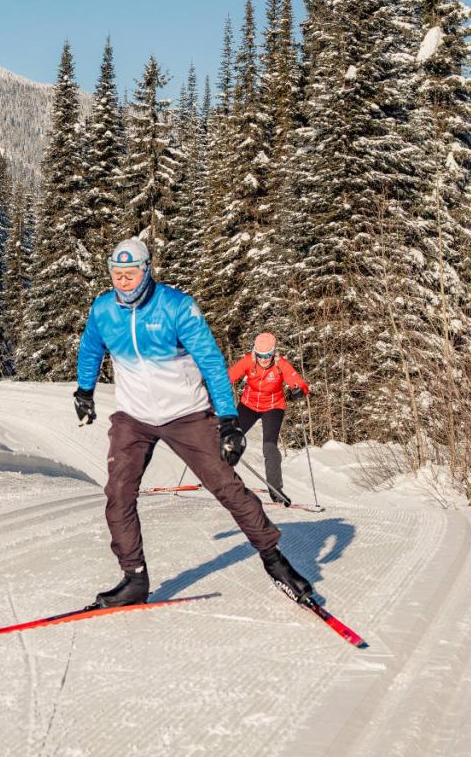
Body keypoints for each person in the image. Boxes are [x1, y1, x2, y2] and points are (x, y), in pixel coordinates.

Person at [73, 237, 314, 608]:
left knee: (226, 486)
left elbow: (213, 363)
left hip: (186, 414)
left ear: (146, 271)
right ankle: (134, 578)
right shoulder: (104, 309)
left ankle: (274, 560)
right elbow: (90, 348)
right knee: (118, 493)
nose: (123, 281)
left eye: (131, 274)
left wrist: (230, 419)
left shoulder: (177, 307)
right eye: (117, 274)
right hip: (134, 417)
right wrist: (85, 391)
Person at [226, 332, 311, 497]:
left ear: (274, 352)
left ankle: (275, 489)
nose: (264, 359)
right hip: (248, 405)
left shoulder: (281, 365)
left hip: (273, 407)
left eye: (268, 355)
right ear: (255, 352)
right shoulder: (248, 361)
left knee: (269, 446)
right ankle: (225, 479)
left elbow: (299, 383)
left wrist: (299, 390)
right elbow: (228, 377)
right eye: (260, 355)